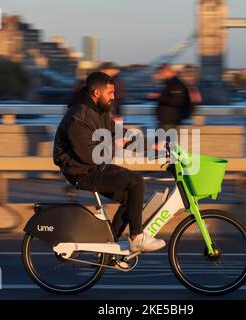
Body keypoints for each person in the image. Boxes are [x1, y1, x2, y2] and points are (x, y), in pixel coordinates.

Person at [53, 72, 166, 252]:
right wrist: (113, 145)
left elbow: (121, 135)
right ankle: (137, 237)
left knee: (131, 199)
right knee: (136, 182)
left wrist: (154, 146)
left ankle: (109, 247)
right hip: (81, 170)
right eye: (110, 92)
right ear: (96, 93)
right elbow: (88, 155)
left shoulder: (100, 111)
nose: (114, 96)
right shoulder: (79, 115)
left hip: (93, 166)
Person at [152, 64, 192, 131]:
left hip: (170, 120)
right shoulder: (170, 83)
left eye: (161, 73)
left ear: (168, 72)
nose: (159, 75)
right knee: (161, 141)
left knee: (165, 141)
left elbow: (177, 101)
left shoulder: (175, 84)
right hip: (166, 120)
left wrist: (159, 97)